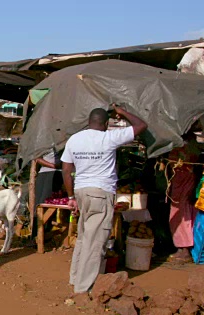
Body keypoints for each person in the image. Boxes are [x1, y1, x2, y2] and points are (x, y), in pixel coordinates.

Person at [62, 105, 147, 294]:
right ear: (106, 124)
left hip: (81, 192)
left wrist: (71, 197)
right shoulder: (108, 137)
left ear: (88, 122)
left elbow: (66, 171)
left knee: (84, 238)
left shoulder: (74, 139)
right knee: (95, 243)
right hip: (101, 193)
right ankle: (84, 289)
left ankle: (75, 278)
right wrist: (122, 112)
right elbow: (141, 125)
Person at [168, 131, 200, 263]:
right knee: (185, 213)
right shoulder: (191, 144)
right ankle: (184, 248)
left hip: (182, 184)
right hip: (182, 183)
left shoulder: (184, 145)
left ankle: (184, 249)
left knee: (180, 214)